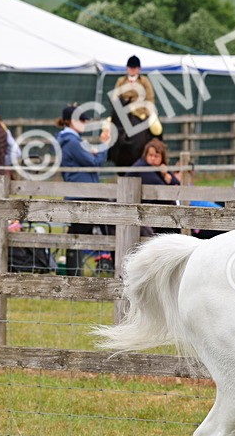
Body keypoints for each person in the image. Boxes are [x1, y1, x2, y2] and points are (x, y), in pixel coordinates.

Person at [57, 104, 112, 275]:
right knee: (105, 223)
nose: (84, 122)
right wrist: (103, 145)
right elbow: (94, 163)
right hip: (83, 193)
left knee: (78, 232)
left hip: (82, 191)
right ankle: (105, 262)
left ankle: (78, 270)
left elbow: (87, 159)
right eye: (81, 119)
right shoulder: (72, 141)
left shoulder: (70, 140)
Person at [109, 55, 163, 170]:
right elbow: (115, 97)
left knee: (157, 127)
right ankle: (109, 152)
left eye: (134, 68)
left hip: (140, 112)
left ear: (139, 69)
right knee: (106, 126)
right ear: (127, 68)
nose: (132, 70)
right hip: (123, 111)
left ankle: (158, 150)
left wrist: (148, 112)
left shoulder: (144, 81)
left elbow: (150, 97)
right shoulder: (121, 81)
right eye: (130, 68)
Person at [134, 138, 181, 236]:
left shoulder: (158, 169)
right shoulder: (143, 168)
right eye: (150, 155)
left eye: (156, 156)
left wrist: (166, 174)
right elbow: (164, 192)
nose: (153, 158)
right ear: (145, 155)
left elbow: (177, 184)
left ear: (162, 158)